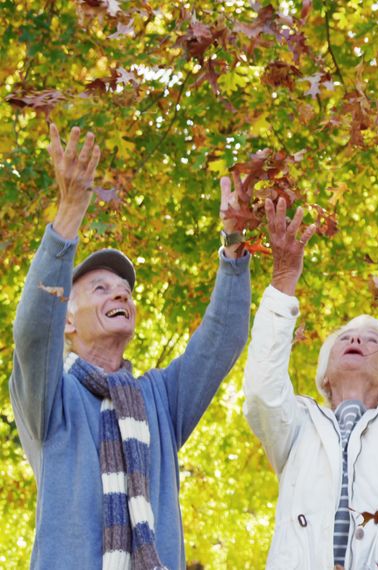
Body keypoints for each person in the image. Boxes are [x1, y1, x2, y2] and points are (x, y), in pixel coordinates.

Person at [9, 124, 252, 569]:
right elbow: (32, 332)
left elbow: (221, 340)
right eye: (100, 288)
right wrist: (69, 214)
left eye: (124, 289)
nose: (120, 294)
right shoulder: (49, 400)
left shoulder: (159, 399)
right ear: (67, 318)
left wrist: (234, 247)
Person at [243, 198, 378, 569]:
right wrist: (282, 284)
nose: (356, 340)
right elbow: (263, 391)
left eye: (372, 340)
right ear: (325, 376)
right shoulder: (296, 427)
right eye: (344, 338)